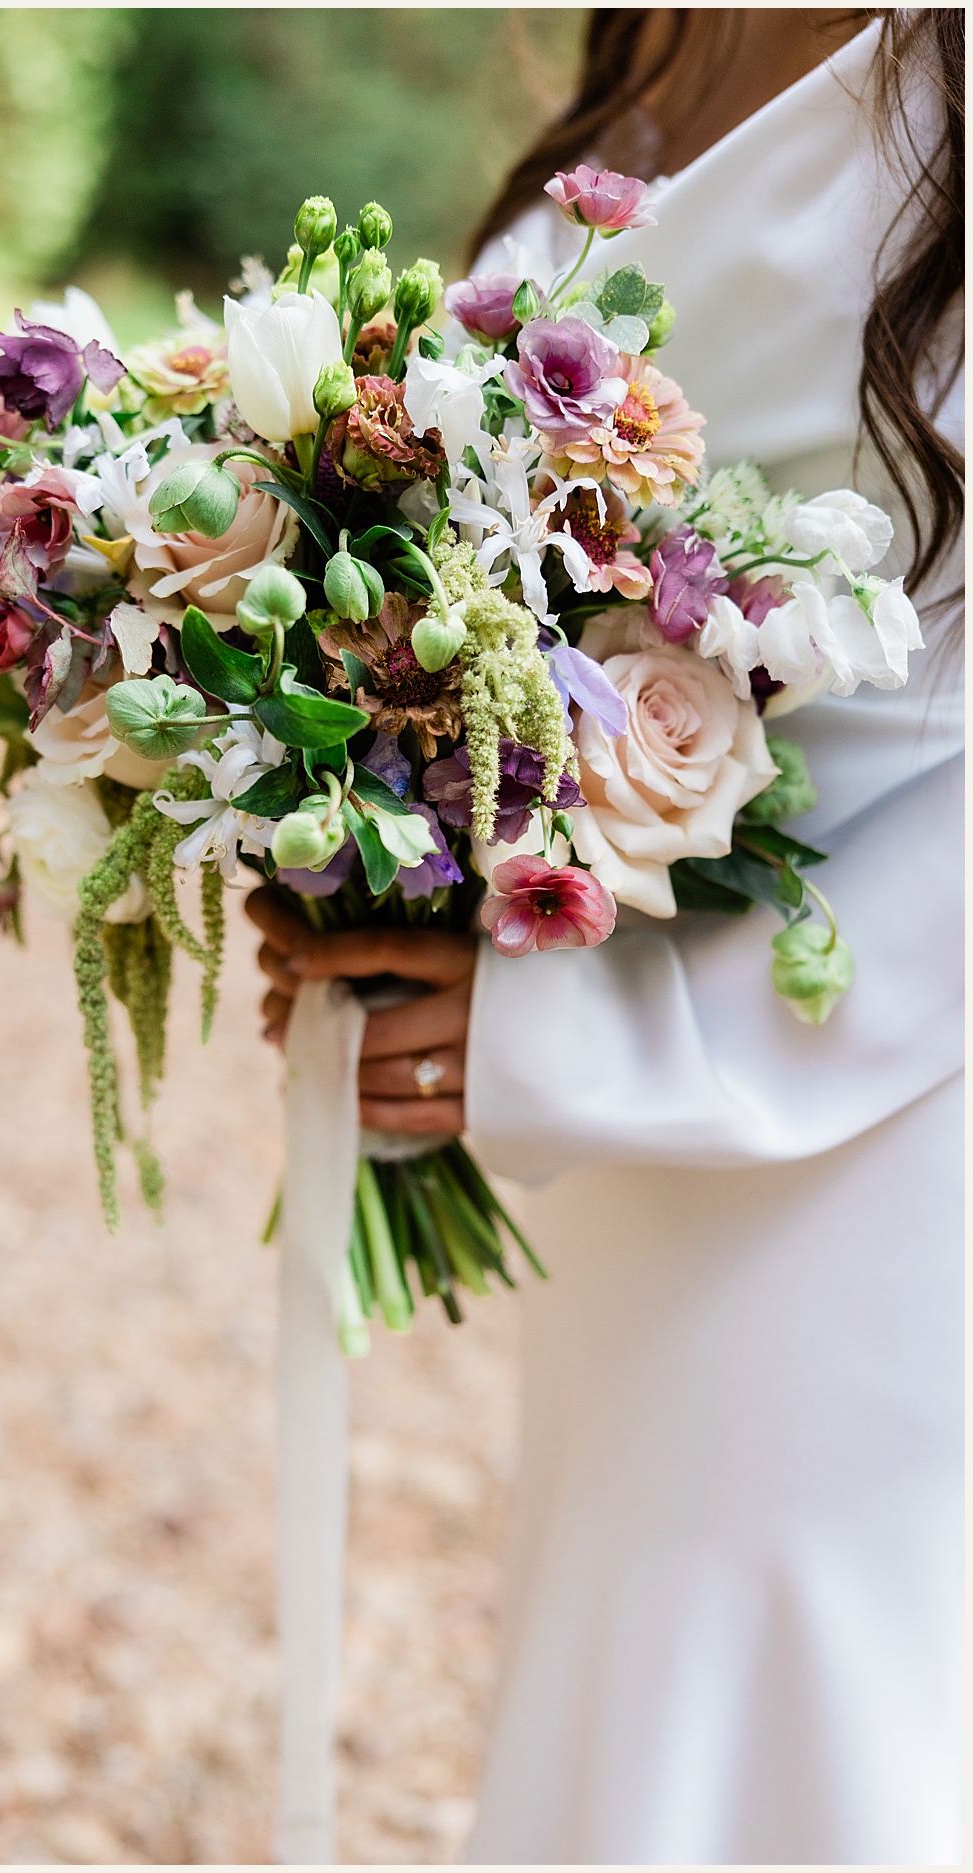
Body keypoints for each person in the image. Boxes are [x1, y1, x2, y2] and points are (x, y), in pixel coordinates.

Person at [252, 10, 962, 1860]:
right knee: (634, 1648)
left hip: (882, 1114)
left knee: (795, 1696)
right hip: (651, 1133)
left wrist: (593, 1032)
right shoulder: (653, 36)